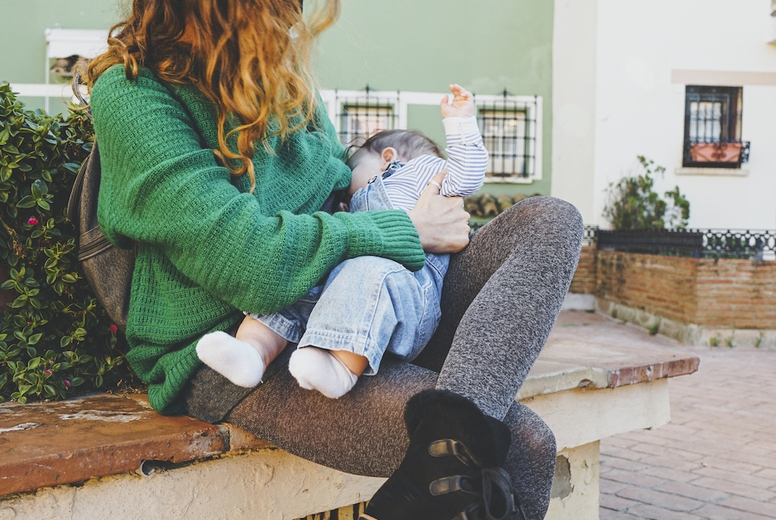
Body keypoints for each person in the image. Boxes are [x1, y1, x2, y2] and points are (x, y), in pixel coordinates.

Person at [86, 1, 582, 518]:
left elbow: (340, 188)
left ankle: (438, 453)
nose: (294, 20)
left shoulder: (283, 77)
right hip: (251, 345)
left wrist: (420, 208)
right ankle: (443, 457)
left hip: (368, 295)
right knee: (522, 444)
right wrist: (408, 229)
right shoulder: (133, 92)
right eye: (276, 9)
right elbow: (249, 263)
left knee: (552, 220)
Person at [195, 84, 487, 399]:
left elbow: (467, 175)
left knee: (369, 272)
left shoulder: (422, 172)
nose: (347, 186)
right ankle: (252, 353)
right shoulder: (359, 198)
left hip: (404, 290)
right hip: (349, 283)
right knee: (296, 280)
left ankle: (339, 369)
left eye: (354, 169)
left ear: (387, 159)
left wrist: (460, 123)